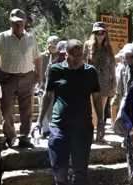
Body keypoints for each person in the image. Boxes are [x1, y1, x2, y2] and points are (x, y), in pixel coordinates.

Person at [34, 39, 104, 185]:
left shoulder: (90, 72)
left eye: (80, 56)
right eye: (74, 56)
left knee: (80, 172)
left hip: (83, 127)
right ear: (66, 54)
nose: (77, 59)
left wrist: (101, 122)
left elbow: (97, 97)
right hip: (59, 126)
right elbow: (47, 96)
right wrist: (39, 121)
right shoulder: (55, 70)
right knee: (59, 170)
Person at [0, 9, 42, 148]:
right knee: (6, 110)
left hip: (27, 77)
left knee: (27, 111)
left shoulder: (31, 39)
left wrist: (41, 76)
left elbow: (37, 58)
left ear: (25, 23)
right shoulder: (1, 37)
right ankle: (10, 137)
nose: (19, 25)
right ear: (10, 22)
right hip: (7, 78)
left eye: (21, 22)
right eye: (16, 23)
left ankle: (24, 138)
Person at [83, 22, 116, 138]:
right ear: (94, 33)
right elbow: (83, 62)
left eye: (102, 32)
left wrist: (114, 81)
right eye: (97, 32)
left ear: (105, 33)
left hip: (105, 79)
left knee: (101, 107)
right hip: (91, 78)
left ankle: (99, 132)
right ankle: (91, 131)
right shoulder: (88, 45)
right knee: (92, 107)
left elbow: (112, 64)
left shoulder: (109, 47)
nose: (100, 34)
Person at [40, 40, 67, 138]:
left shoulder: (76, 66)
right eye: (62, 53)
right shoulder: (53, 66)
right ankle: (47, 131)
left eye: (66, 53)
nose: (64, 56)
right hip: (51, 92)